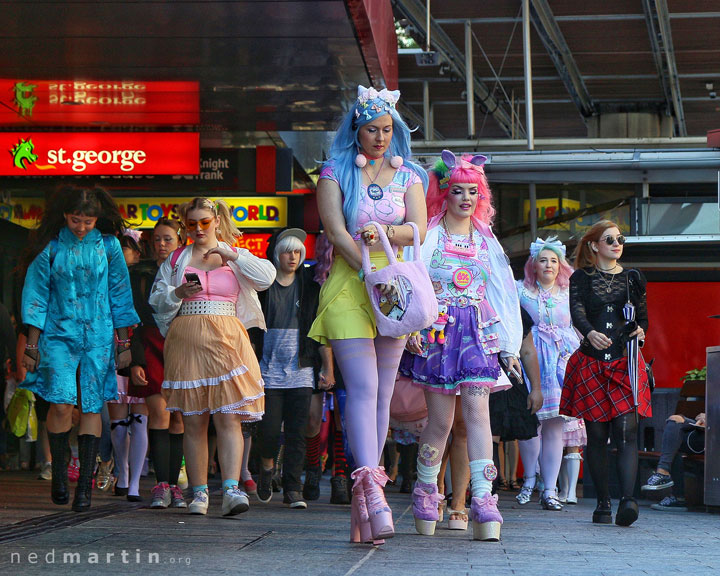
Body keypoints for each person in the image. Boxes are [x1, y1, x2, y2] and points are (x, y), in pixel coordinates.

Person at [308, 85, 428, 543]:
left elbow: (417, 227)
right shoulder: (335, 171)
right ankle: (372, 493)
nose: (381, 138)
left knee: (382, 393)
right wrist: (370, 272)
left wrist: (385, 235)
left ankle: (366, 500)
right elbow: (336, 234)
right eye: (373, 130)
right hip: (350, 284)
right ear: (356, 130)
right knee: (361, 388)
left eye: (388, 130)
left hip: (395, 283)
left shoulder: (411, 174)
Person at [403, 150, 523, 542]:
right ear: (446, 194)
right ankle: (425, 491)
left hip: (478, 332)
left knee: (476, 412)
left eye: (473, 191)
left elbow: (504, 293)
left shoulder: (488, 242)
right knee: (439, 422)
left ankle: (484, 499)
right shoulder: (428, 234)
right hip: (438, 333)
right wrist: (411, 326)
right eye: (458, 191)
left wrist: (509, 346)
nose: (466, 198)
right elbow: (409, 279)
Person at [150, 197, 275, 516]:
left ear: (217, 220)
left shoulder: (235, 255)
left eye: (204, 222)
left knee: (229, 417)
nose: (198, 229)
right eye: (191, 224)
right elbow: (157, 299)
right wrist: (178, 293)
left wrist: (232, 254)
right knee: (193, 421)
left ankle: (232, 489)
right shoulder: (178, 258)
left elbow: (266, 278)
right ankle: (200, 493)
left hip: (228, 338)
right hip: (187, 339)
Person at [20, 186, 139, 512]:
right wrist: (32, 345)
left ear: (97, 218)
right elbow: (36, 297)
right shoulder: (51, 247)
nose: (82, 226)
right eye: (76, 220)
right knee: (59, 404)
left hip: (99, 337)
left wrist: (124, 343)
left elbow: (120, 294)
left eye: (88, 221)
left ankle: (83, 486)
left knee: (91, 406)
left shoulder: (110, 247)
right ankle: (59, 471)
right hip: (57, 335)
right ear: (64, 216)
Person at [560, 220, 650, 527]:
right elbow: (577, 312)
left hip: (625, 363)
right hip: (592, 362)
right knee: (596, 435)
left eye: (620, 238)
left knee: (627, 431)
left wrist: (640, 331)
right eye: (609, 239)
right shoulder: (580, 278)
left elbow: (643, 319)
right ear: (594, 245)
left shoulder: (633, 278)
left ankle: (628, 500)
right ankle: (602, 503)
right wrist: (589, 333)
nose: (616, 243)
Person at [252, 227, 332, 509]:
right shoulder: (262, 285)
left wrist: (326, 367)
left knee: (298, 431)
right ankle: (265, 467)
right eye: (287, 251)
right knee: (270, 430)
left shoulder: (310, 284)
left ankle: (293, 489)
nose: (293, 257)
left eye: (298, 251)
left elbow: (319, 329)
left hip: (301, 367)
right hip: (267, 369)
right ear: (276, 253)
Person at [125, 218, 187, 509]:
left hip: (184, 343)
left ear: (180, 241)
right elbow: (133, 321)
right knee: (159, 414)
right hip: (150, 341)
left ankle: (175, 485)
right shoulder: (140, 273)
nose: (162, 245)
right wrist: (135, 360)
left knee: (179, 419)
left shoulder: (190, 269)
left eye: (168, 239)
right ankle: (161, 484)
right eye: (158, 240)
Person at [516, 237, 581, 511]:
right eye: (543, 259)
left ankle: (551, 489)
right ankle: (529, 480)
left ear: (561, 265)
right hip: (528, 360)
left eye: (554, 260)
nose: (549, 265)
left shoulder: (569, 293)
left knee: (554, 425)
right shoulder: (520, 290)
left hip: (560, 362)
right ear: (533, 264)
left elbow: (580, 326)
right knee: (528, 424)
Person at [107, 232, 148, 502]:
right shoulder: (106, 279)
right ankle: (122, 473)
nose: (125, 254)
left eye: (130, 249)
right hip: (111, 348)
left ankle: (134, 481)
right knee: (118, 420)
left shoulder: (146, 277)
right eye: (121, 249)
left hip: (141, 348)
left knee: (140, 419)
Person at [642, 412, 705, 511]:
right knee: (675, 420)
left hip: (712, 435)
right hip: (704, 429)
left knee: (674, 442)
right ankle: (662, 472)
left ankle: (677, 496)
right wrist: (703, 417)